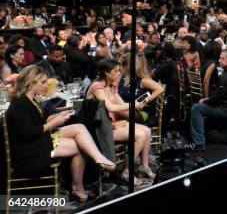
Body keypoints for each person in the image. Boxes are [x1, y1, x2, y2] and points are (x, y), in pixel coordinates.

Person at [6, 65, 115, 202]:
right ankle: (78, 186)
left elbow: (37, 123)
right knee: (80, 146)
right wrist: (53, 123)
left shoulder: (30, 100)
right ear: (30, 82)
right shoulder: (20, 104)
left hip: (37, 141)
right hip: (30, 151)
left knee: (80, 127)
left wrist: (56, 117)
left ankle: (98, 159)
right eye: (43, 82)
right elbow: (27, 134)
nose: (46, 86)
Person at [86, 59, 154, 185]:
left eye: (119, 70)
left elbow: (122, 105)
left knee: (147, 131)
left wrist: (136, 106)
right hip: (101, 128)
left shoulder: (111, 86)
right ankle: (127, 172)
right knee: (140, 135)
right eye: (115, 71)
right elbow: (110, 108)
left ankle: (144, 165)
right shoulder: (97, 87)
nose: (119, 73)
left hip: (113, 123)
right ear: (106, 73)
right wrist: (133, 105)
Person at [118, 52, 164, 125]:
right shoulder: (122, 78)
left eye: (120, 65)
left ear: (127, 66)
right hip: (126, 109)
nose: (118, 68)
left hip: (141, 112)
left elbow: (160, 89)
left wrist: (144, 101)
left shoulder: (142, 80)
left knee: (117, 111)